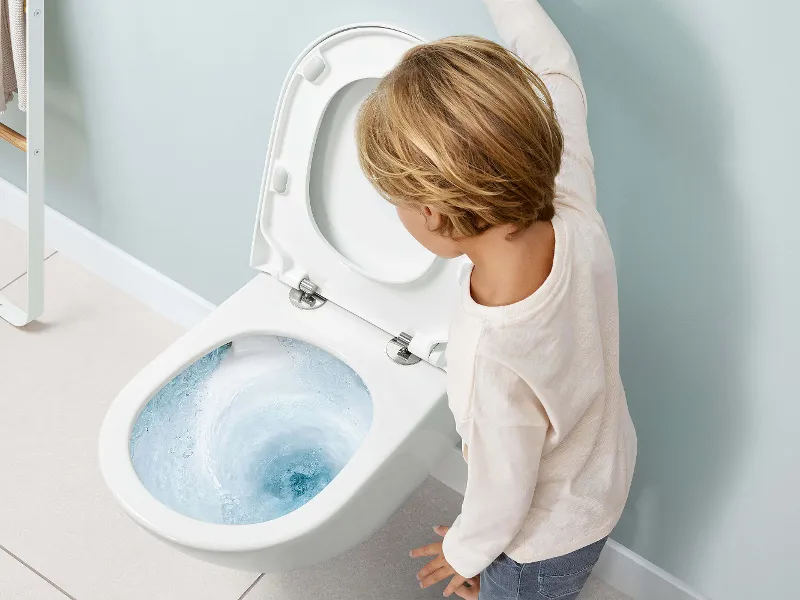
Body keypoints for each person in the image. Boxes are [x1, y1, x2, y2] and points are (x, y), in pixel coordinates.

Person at [356, 1, 637, 598]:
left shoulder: (494, 355)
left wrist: (465, 554)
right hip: (602, 471)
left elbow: (500, 494)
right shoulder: (567, 195)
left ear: (432, 215)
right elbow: (556, 69)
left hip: (540, 543)